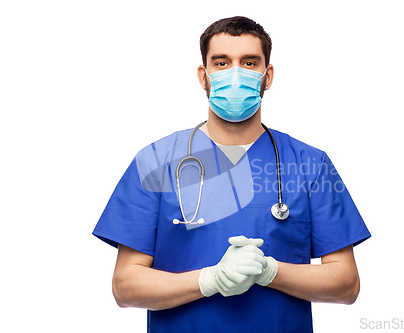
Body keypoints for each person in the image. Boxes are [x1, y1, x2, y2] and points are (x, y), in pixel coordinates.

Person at [93, 16, 371, 333]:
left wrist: (269, 271)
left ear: (268, 77)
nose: (235, 74)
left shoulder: (310, 164)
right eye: (222, 62)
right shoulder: (156, 162)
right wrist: (208, 280)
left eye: (249, 62)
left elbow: (346, 284)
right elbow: (125, 286)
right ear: (204, 76)